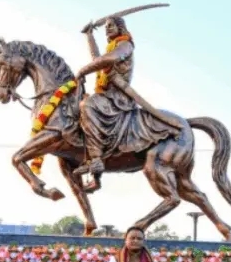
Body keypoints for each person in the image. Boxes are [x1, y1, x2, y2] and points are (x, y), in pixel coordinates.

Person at [73, 16, 182, 193]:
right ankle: (95, 176)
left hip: (118, 97)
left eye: (111, 26)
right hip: (107, 95)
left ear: (120, 28)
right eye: (106, 27)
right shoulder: (113, 46)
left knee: (88, 105)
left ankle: (96, 161)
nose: (107, 29)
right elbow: (98, 59)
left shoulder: (125, 45)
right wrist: (90, 36)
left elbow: (106, 60)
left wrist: (82, 71)